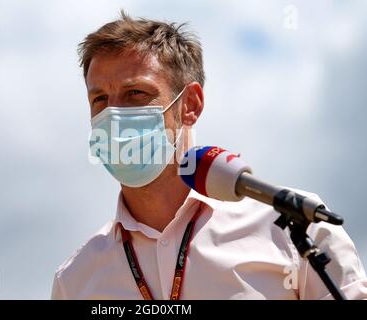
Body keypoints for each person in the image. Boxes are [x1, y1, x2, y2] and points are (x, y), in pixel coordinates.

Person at [51, 12, 367, 299]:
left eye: (135, 93)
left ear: (190, 104)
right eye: (100, 99)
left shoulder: (295, 229)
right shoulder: (75, 280)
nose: (114, 114)